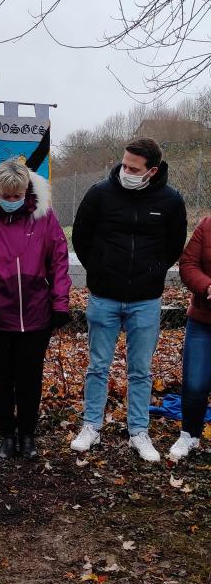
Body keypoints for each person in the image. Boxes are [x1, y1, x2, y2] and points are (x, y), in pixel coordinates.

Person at [71, 137, 187, 462]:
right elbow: (81, 236)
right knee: (97, 366)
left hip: (145, 301)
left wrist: (151, 272)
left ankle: (138, 431)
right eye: (124, 164)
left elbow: (174, 245)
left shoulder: (170, 200)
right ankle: (91, 426)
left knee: (140, 370)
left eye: (133, 168)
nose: (126, 171)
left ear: (151, 170)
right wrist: (100, 270)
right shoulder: (100, 193)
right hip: (104, 297)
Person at [0, 158, 71, 460]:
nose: (10, 201)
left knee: (29, 378)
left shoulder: (44, 218)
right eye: (5, 196)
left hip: (35, 315)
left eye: (16, 196)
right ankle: (6, 434)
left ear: (26, 191)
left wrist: (60, 302)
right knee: (0, 378)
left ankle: (27, 434)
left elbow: (58, 261)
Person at [168, 217, 211, 460]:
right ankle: (189, 435)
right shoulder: (206, 226)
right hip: (204, 321)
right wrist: (207, 286)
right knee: (195, 385)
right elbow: (188, 265)